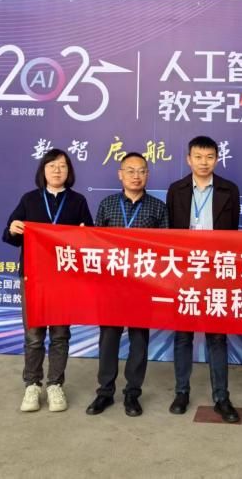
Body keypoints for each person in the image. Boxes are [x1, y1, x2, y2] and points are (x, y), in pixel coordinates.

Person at [3, 148, 93, 413]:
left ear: (69, 171)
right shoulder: (30, 199)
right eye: (52, 165)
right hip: (33, 278)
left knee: (60, 334)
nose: (57, 170)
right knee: (33, 335)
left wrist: (86, 234)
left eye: (63, 166)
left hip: (64, 279)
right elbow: (10, 234)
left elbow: (90, 238)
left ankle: (55, 384)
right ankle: (32, 384)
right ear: (43, 170)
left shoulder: (77, 201)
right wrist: (13, 228)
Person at [85, 152, 168, 418]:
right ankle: (105, 392)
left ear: (148, 175)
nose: (136, 176)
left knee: (139, 340)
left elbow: (165, 248)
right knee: (108, 339)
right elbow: (95, 244)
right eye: (130, 171)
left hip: (142, 285)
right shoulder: (107, 205)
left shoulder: (158, 207)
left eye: (141, 171)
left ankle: (133, 393)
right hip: (111, 285)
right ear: (120, 175)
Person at [166, 136, 241, 423]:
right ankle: (181, 392)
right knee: (183, 335)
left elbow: (233, 236)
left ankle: (221, 397)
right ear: (189, 159)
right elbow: (169, 233)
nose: (204, 162)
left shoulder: (229, 190)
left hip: (216, 270)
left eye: (209, 157)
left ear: (216, 159)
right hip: (184, 270)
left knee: (217, 336)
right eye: (198, 157)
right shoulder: (176, 190)